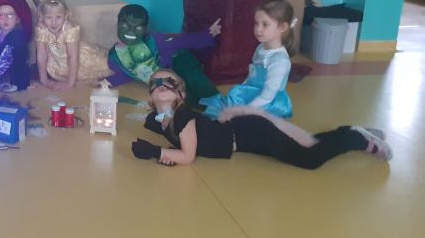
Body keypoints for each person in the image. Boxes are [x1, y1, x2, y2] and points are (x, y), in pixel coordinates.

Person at [131, 69, 391, 169]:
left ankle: (355, 139)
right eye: (156, 83)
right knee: (305, 144)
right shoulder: (160, 118)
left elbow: (187, 156)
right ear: (151, 96)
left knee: (308, 160)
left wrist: (155, 152)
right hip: (244, 136)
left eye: (169, 81)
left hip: (250, 133)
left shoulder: (183, 116)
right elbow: (165, 132)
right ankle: (347, 131)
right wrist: (166, 152)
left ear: (182, 94)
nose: (162, 84)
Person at [107, 3, 220, 106]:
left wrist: (207, 36)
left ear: (145, 29)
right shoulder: (114, 57)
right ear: (118, 24)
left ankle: (218, 103)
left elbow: (180, 41)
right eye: (125, 26)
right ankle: (209, 110)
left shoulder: (154, 40)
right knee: (185, 99)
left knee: (193, 77)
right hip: (166, 81)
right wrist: (108, 82)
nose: (131, 31)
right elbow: (127, 73)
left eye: (138, 27)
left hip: (178, 60)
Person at [201, 0, 294, 119]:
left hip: (266, 102)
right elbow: (253, 74)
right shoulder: (261, 47)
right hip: (252, 92)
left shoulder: (279, 61)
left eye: (265, 24)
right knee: (225, 108)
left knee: (236, 118)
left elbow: (268, 96)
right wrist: (242, 89)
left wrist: (245, 110)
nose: (258, 29)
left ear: (282, 27)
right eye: (256, 23)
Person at [34, 0, 111, 89]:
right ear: (42, 16)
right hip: (57, 62)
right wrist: (44, 80)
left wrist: (69, 84)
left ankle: (78, 80)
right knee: (59, 73)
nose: (54, 22)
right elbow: (41, 55)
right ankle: (79, 80)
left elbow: (73, 56)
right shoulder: (41, 29)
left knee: (108, 65)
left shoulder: (69, 28)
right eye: (49, 17)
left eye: (58, 17)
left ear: (66, 15)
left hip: (80, 57)